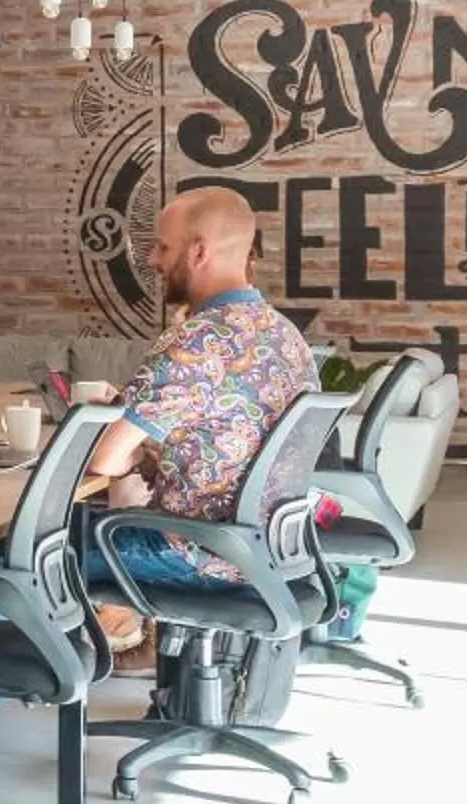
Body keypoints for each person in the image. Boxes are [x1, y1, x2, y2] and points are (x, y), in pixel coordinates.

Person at [80, 188, 317, 654]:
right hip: (269, 549)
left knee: (5, 558)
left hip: (195, 553)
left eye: (162, 247)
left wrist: (119, 446)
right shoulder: (284, 335)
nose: (152, 260)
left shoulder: (197, 342)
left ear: (199, 251)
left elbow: (104, 460)